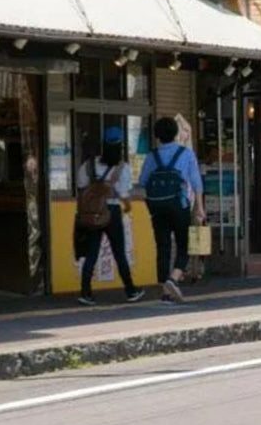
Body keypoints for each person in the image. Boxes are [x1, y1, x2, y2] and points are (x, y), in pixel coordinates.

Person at [75, 127, 145, 305]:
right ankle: (130, 290)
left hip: (91, 214)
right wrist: (127, 206)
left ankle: (85, 292)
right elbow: (123, 193)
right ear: (121, 146)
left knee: (91, 254)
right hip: (112, 212)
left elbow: (81, 186)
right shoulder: (122, 167)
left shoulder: (88, 165)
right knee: (119, 253)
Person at [139, 117, 205, 303]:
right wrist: (199, 207)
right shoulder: (185, 154)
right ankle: (173, 279)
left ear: (157, 136)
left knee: (163, 246)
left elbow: (143, 181)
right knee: (184, 244)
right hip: (179, 204)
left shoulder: (152, 155)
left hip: (157, 206)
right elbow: (196, 182)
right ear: (175, 133)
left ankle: (164, 290)